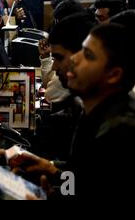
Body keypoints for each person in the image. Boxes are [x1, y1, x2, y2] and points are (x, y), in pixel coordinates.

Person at [0, 22, 135, 199]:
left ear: (114, 75)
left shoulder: (121, 130)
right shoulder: (101, 107)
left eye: (88, 55)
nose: (75, 59)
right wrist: (51, 167)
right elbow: (83, 176)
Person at [35, 12, 97, 160]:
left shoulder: (118, 124)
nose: (55, 67)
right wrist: (51, 169)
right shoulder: (85, 103)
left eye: (59, 58)